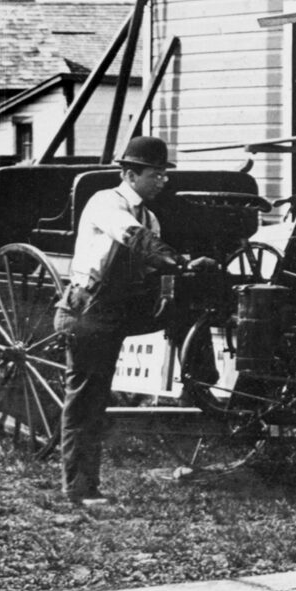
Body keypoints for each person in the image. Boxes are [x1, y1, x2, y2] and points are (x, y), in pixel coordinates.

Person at [56, 135, 210, 509]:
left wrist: (188, 270)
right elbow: (134, 239)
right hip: (88, 310)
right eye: (155, 174)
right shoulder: (107, 203)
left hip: (118, 310)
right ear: (130, 174)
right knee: (87, 401)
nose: (163, 181)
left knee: (193, 312)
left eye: (164, 174)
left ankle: (202, 383)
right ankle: (79, 488)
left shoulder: (150, 217)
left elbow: (150, 265)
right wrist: (178, 261)